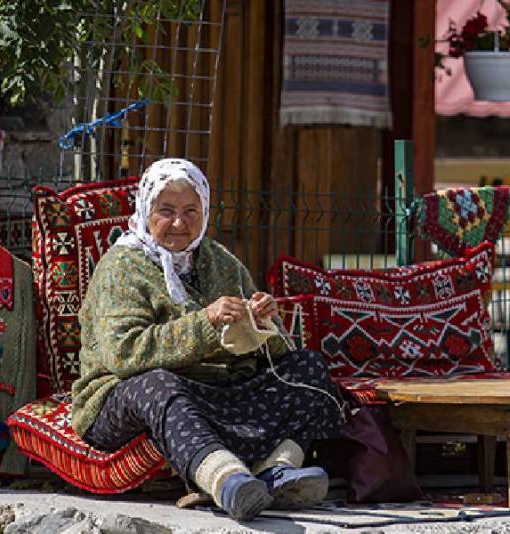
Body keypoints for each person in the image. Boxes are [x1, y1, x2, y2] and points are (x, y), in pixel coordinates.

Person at [70, 158, 343, 521]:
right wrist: (207, 321)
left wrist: (264, 324)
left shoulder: (221, 262)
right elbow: (124, 355)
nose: (180, 223)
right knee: (158, 385)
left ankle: (275, 470)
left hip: (217, 390)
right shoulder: (122, 268)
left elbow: (274, 356)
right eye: (166, 211)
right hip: (126, 399)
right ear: (145, 210)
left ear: (205, 212)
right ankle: (227, 481)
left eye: (190, 211)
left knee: (308, 368)